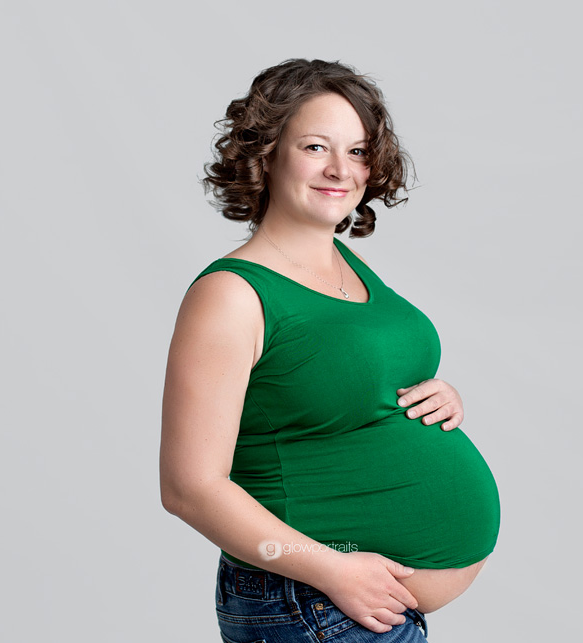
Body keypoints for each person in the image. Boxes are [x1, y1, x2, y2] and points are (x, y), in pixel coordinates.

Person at [160, 58, 500, 642]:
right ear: (265, 153)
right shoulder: (232, 295)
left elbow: (339, 393)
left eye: (359, 151)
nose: (341, 169)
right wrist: (333, 569)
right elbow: (189, 487)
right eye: (316, 147)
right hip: (313, 599)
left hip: (353, 607)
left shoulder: (345, 266)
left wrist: (434, 398)